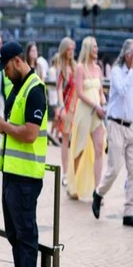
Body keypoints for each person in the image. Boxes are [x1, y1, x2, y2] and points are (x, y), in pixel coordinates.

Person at [0, 41, 48, 267]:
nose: (5, 72)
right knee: (13, 231)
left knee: (25, 232)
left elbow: (31, 133)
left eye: (6, 67)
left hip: (26, 175)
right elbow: (15, 128)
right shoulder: (17, 88)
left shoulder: (36, 89)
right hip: (11, 172)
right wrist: (2, 125)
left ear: (16, 60)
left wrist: (4, 126)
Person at [91, 39, 133, 228]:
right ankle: (99, 193)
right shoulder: (117, 72)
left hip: (132, 127)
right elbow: (123, 90)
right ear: (128, 55)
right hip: (116, 125)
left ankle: (129, 212)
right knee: (114, 169)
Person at [66, 36, 106, 200]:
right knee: (79, 149)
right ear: (88, 49)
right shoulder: (81, 68)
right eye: (94, 47)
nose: (97, 50)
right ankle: (73, 185)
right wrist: (95, 105)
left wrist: (103, 104)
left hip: (97, 115)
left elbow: (101, 91)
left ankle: (97, 190)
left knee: (99, 149)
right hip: (85, 112)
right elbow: (80, 93)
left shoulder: (98, 68)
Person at [55, 38, 77, 182]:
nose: (71, 52)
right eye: (68, 49)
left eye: (72, 49)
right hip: (67, 106)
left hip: (77, 106)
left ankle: (74, 172)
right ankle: (65, 173)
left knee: (75, 140)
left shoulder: (76, 66)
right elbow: (58, 89)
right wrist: (61, 107)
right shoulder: (61, 68)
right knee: (66, 140)